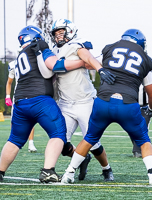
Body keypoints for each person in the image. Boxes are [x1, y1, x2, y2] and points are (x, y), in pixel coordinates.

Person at [61, 29, 152, 186]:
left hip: (103, 102)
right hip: (128, 104)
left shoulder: (109, 48)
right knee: (143, 140)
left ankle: (69, 173)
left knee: (89, 138)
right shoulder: (146, 59)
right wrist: (151, 109)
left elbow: (89, 63)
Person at [33, 19, 116, 182]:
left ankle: (107, 169)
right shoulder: (53, 51)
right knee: (60, 140)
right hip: (65, 103)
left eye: (61, 31)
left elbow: (87, 56)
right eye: (55, 33)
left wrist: (99, 68)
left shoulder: (76, 44)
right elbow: (55, 68)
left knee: (92, 142)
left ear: (70, 31)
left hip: (85, 101)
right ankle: (80, 160)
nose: (58, 35)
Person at [0, 25, 85, 183]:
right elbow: (49, 70)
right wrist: (80, 63)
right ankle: (48, 171)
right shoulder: (38, 46)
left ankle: (0, 171)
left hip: (20, 103)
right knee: (58, 134)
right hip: (39, 99)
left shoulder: (20, 55)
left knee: (15, 139)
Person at [5, 59, 37, 152]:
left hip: (31, 95)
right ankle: (14, 142)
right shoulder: (13, 65)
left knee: (30, 119)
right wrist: (7, 96)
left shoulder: (34, 62)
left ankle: (31, 144)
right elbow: (9, 82)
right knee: (14, 120)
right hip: (18, 95)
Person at [132, 66, 152, 158]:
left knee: (142, 128)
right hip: (129, 103)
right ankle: (139, 148)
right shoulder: (127, 67)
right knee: (132, 129)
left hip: (145, 106)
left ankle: (138, 150)